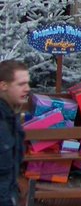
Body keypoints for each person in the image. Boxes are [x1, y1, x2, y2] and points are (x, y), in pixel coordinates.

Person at [0, 60, 29, 206]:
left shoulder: (12, 117)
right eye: (21, 84)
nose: (27, 88)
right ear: (3, 86)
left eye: (27, 83)